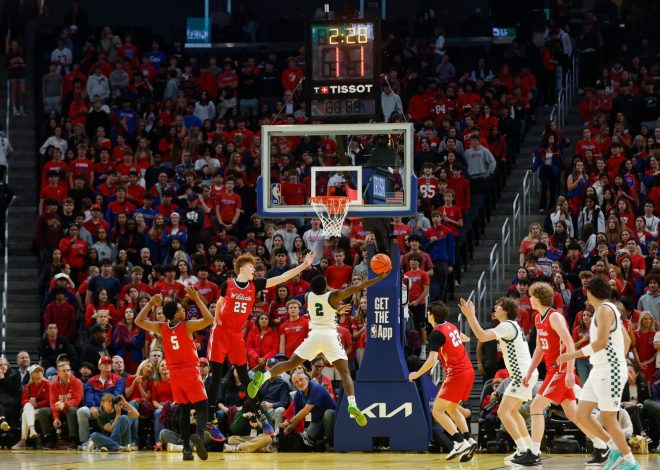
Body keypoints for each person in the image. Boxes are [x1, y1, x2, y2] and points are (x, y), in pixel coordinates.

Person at [248, 271, 390, 427]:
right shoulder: (333, 296)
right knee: (345, 373)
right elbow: (358, 286)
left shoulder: (308, 296)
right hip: (330, 337)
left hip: (314, 336)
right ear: (325, 286)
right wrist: (380, 277)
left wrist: (336, 311)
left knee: (290, 363)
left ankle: (265, 376)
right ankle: (352, 404)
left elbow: (321, 308)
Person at [207, 251, 315, 425]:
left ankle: (259, 413)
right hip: (220, 332)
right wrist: (216, 320)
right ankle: (210, 415)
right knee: (216, 374)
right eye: (251, 267)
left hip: (236, 334)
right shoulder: (227, 284)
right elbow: (220, 302)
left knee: (245, 377)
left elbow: (281, 278)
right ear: (242, 268)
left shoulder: (255, 284)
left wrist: (303, 265)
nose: (254, 271)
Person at [557, 276, 640, 470]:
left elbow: (601, 343)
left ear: (589, 293)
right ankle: (614, 448)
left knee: (609, 418)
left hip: (609, 370)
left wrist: (573, 355)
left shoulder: (604, 310)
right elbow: (626, 341)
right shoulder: (608, 310)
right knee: (583, 414)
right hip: (600, 369)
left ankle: (631, 462)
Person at [516, 282, 601, 466]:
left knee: (536, 407)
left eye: (531, 296)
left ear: (537, 298)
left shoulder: (555, 317)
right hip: (552, 370)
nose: (529, 299)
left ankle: (534, 452)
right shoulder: (538, 318)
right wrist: (530, 371)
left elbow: (570, 344)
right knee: (573, 414)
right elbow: (539, 348)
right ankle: (601, 445)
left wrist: (570, 371)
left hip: (561, 370)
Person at [135, 286, 213, 461]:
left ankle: (186, 449)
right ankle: (199, 437)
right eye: (181, 309)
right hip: (190, 371)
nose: (184, 310)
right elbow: (209, 319)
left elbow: (138, 321)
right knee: (201, 406)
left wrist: (150, 304)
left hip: (174, 374)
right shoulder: (187, 326)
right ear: (176, 315)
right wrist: (197, 298)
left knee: (184, 410)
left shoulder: (162, 328)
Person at [458, 297, 536, 463]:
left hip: (522, 374)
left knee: (503, 412)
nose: (494, 307)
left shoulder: (507, 325)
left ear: (505, 310)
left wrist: (471, 315)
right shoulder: (511, 326)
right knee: (512, 411)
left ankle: (524, 450)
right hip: (523, 374)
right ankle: (529, 449)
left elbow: (482, 336)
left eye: (498, 306)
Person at [408, 301, 477, 461]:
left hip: (457, 374)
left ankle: (459, 442)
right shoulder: (451, 326)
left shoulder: (436, 334)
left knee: (437, 411)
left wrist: (417, 374)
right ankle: (469, 439)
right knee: (452, 409)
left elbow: (432, 360)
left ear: (432, 315)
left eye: (428, 313)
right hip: (468, 371)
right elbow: (465, 338)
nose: (427, 316)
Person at [11, 364, 50, 449]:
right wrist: (30, 403)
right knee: (27, 407)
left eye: (40, 370)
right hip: (31, 409)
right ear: (31, 374)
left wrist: (36, 404)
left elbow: (48, 400)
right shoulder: (28, 386)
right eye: (36, 371)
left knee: (25, 414)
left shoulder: (47, 384)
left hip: (43, 408)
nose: (39, 372)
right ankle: (32, 430)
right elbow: (23, 401)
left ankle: (23, 440)